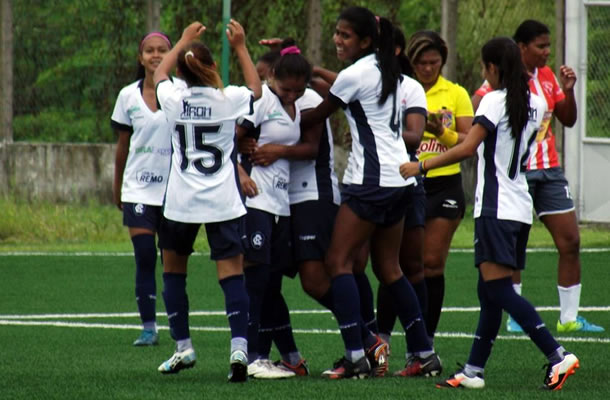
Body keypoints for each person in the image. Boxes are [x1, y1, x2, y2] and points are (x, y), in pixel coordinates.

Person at [401, 36, 580, 391]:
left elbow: (468, 147)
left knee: (499, 291)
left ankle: (557, 354)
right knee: (489, 293)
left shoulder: (495, 101)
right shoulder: (536, 100)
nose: (485, 73)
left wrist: (421, 167)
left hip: (495, 208)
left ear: (493, 68)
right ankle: (473, 371)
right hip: (519, 208)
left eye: (485, 67)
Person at [301, 6, 440, 379]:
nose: (337, 40)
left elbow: (317, 114)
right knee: (389, 268)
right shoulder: (390, 71)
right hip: (401, 182)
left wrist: (276, 112)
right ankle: (425, 353)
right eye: (336, 33)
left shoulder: (356, 74)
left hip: (371, 182)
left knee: (338, 263)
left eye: (345, 35)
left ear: (365, 41)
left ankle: (356, 356)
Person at [471, 20, 603, 333]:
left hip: (550, 170)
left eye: (548, 45)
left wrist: (568, 92)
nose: (547, 52)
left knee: (570, 240)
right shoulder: (498, 81)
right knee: (514, 246)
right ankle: (515, 316)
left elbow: (567, 119)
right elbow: (478, 108)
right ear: (521, 48)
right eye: (541, 46)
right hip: (518, 172)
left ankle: (569, 319)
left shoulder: (546, 78)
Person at [152, 20, 262, 383]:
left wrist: (183, 39)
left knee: (173, 273)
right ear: (212, 68)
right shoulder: (227, 98)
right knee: (232, 276)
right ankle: (240, 349)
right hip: (223, 202)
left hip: (181, 203)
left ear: (182, 72)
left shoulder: (174, 98)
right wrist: (242, 47)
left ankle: (183, 346)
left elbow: (158, 76)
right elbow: (256, 90)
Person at [236, 40, 314, 380]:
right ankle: (251, 356)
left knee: (271, 284)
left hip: (280, 204)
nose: (292, 95)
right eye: (286, 88)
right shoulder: (263, 100)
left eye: (299, 90)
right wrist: (239, 174)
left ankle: (277, 355)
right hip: (257, 201)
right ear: (271, 78)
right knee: (256, 281)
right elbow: (228, 138)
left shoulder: (296, 105)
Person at [111, 31, 185, 347]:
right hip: (138, 190)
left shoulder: (183, 92)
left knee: (172, 262)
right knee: (144, 256)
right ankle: (148, 327)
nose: (156, 56)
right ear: (140, 58)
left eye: (163, 50)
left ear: (173, 55)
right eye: (150, 51)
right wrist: (117, 187)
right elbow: (122, 147)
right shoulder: (128, 96)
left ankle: (178, 327)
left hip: (175, 192)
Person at [404, 30, 474, 343]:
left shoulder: (456, 93)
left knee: (431, 263)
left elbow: (468, 140)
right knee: (405, 264)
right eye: (421, 62)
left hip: (445, 185)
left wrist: (440, 133)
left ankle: (426, 342)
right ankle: (397, 338)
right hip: (405, 183)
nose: (428, 68)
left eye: (434, 62)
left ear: (442, 61)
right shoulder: (402, 90)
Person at [374, 25, 430, 376]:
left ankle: (418, 352)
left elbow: (416, 133)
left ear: (393, 50)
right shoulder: (363, 81)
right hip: (368, 183)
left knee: (410, 266)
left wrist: (377, 131)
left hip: (404, 182)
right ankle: (377, 344)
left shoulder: (409, 86)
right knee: (381, 266)